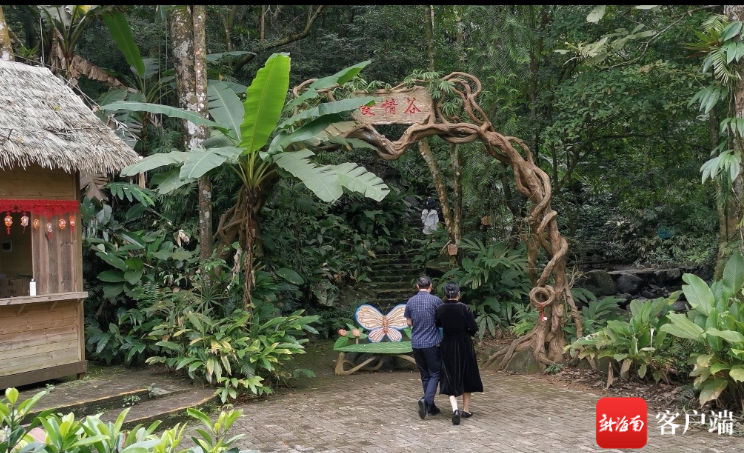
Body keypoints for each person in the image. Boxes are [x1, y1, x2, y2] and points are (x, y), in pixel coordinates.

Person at [435, 281, 483, 425]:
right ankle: (466, 410)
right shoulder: (464, 308)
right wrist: (466, 333)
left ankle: (455, 409)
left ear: (445, 294)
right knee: (467, 374)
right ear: (458, 294)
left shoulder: (440, 308)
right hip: (464, 344)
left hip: (447, 344)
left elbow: (437, 324)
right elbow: (473, 327)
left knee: (450, 374)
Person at [404, 275, 443, 419]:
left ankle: (431, 407)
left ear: (417, 286)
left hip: (416, 343)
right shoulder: (436, 301)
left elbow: (409, 322)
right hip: (431, 343)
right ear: (431, 286)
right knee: (436, 373)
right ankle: (426, 401)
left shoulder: (411, 301)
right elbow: (441, 320)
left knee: (425, 375)